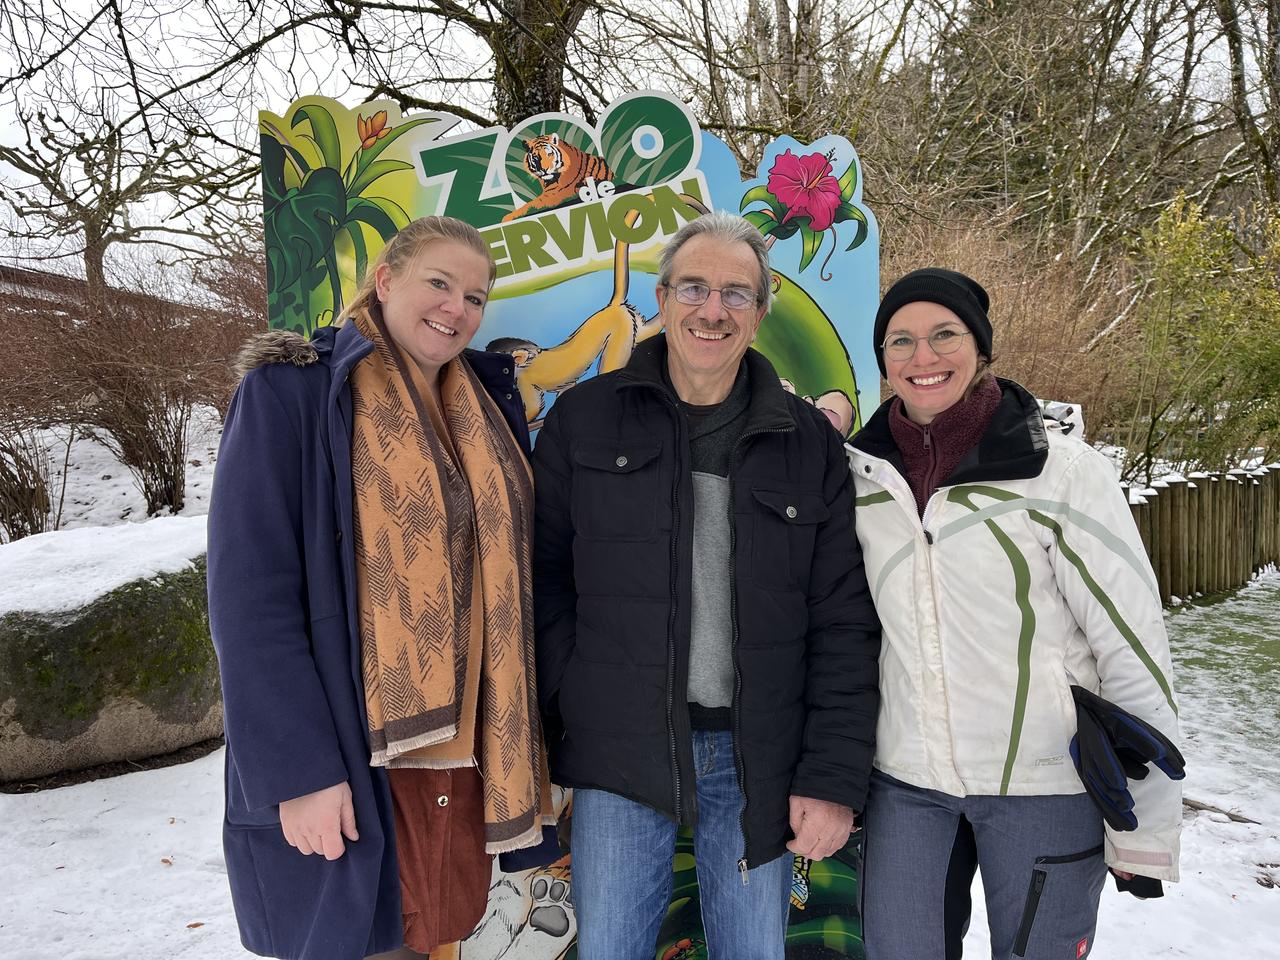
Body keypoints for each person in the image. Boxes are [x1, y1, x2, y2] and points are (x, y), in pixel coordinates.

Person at [531, 212, 882, 960]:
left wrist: (832, 776)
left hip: (758, 755)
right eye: (694, 287)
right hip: (618, 751)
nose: (711, 310)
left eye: (735, 293)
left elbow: (843, 621)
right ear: (661, 298)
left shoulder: (808, 442)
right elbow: (544, 580)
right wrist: (575, 696)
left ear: (760, 311)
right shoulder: (583, 421)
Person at [207, 216, 558, 960]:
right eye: (439, 283)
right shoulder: (292, 394)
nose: (456, 308)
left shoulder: (488, 411)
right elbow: (250, 600)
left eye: (474, 296)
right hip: (349, 755)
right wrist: (300, 774)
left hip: (458, 758)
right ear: (386, 280)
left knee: (430, 941)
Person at [847, 268, 1182, 960]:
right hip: (907, 787)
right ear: (882, 360)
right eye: (901, 341)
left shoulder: (1059, 472)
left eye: (945, 335)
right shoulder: (861, 479)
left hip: (1044, 784)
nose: (923, 357)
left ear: (982, 348)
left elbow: (1130, 641)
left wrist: (1145, 830)